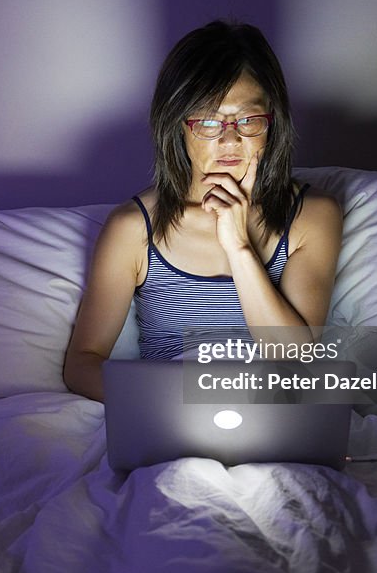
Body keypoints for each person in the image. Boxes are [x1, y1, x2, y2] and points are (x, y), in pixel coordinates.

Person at [63, 20, 343, 401]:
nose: (230, 139)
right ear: (178, 125)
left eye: (248, 119)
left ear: (272, 123)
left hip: (273, 410)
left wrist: (239, 248)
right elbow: (83, 361)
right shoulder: (133, 228)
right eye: (209, 121)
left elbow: (294, 360)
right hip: (171, 412)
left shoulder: (313, 215)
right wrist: (160, 400)